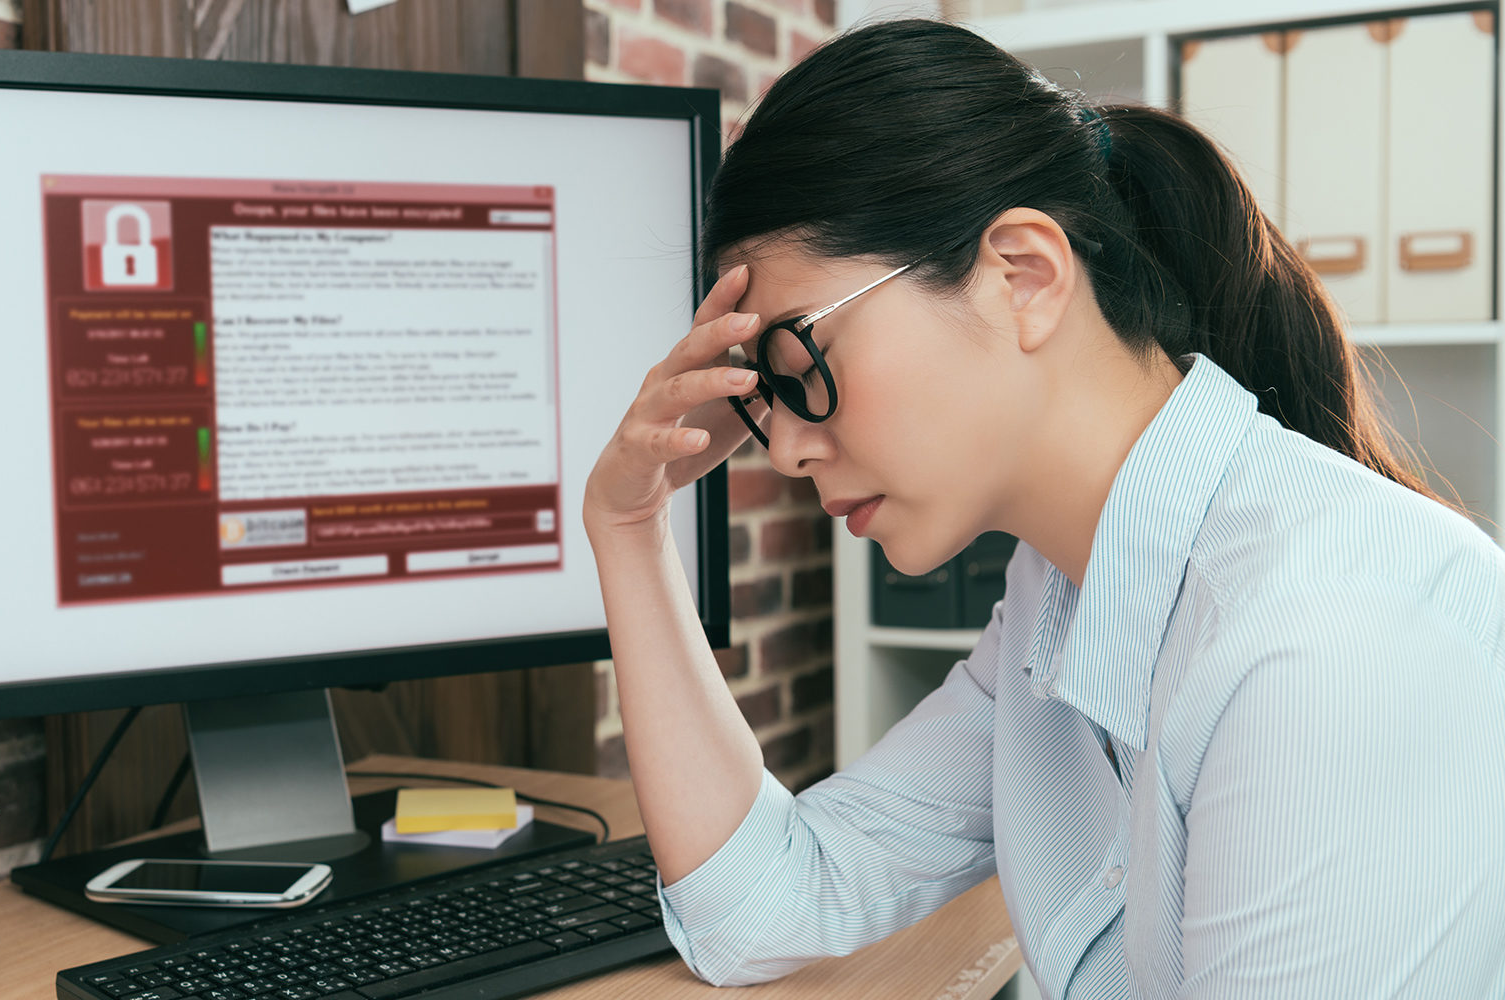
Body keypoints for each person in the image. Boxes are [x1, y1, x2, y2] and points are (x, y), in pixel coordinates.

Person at [582, 17, 1505, 999]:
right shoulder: (1058, 594)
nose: (791, 448)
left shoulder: (1326, 645)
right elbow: (766, 905)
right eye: (757, 402)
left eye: (798, 367)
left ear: (1022, 274)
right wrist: (627, 525)